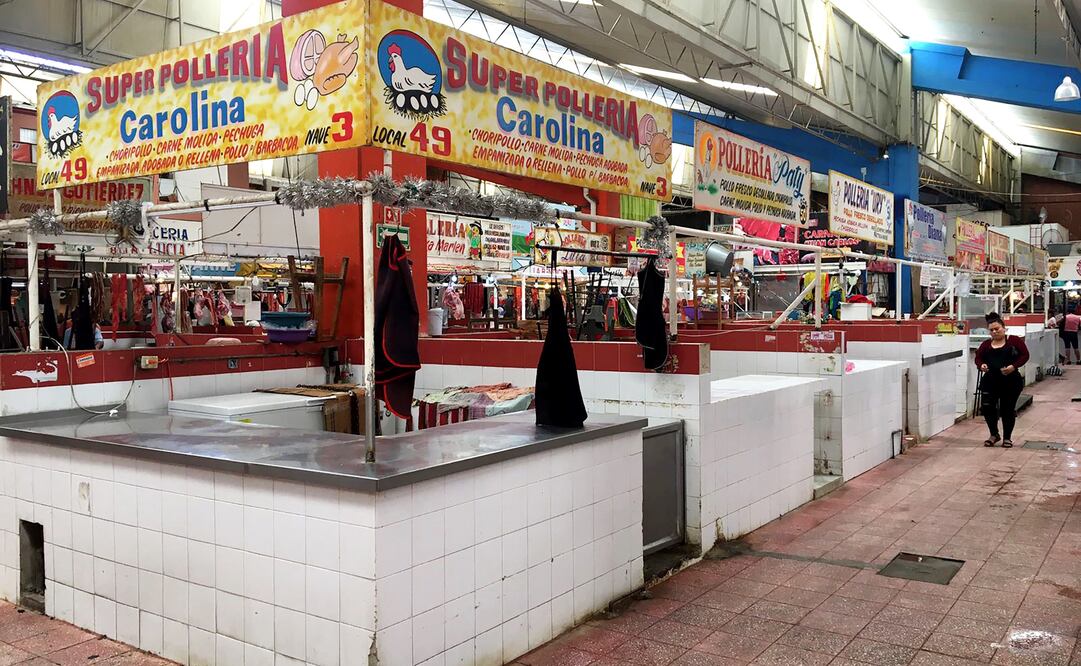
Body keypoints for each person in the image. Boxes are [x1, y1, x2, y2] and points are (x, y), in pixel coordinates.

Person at [975, 312, 1029, 448]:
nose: (994, 332)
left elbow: (1025, 355)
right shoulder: (986, 344)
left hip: (1011, 382)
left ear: (1004, 328)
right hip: (990, 382)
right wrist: (981, 365)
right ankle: (994, 434)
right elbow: (978, 357)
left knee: (1007, 410)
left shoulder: (1014, 341)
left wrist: (1013, 366)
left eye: (997, 329)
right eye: (991, 330)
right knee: (988, 408)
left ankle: (1007, 438)